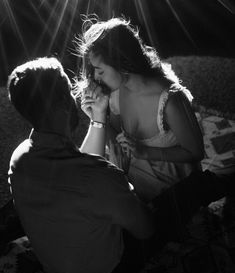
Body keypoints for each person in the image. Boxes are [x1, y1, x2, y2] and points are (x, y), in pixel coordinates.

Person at [7, 56, 155, 273]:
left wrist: (98, 119)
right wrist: (129, 192)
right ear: (64, 103)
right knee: (169, 205)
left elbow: (79, 169)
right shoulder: (102, 177)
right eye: (69, 91)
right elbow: (145, 229)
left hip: (52, 263)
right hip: (102, 268)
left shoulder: (19, 158)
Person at [74, 16, 204, 202]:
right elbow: (118, 142)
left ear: (121, 62)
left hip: (176, 192)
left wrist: (145, 152)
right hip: (136, 184)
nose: (95, 76)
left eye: (100, 70)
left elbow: (196, 152)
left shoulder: (171, 100)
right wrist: (98, 117)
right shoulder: (117, 92)